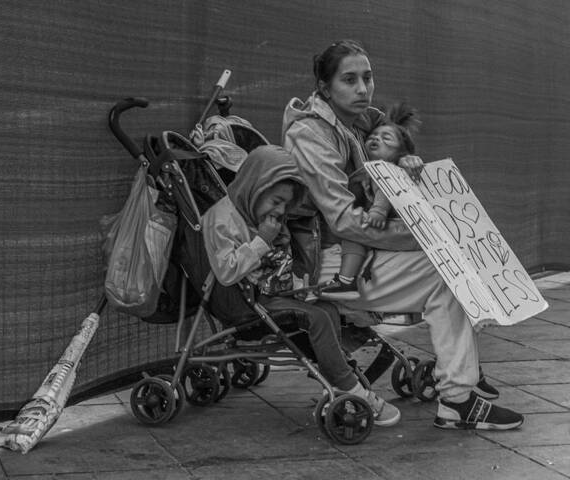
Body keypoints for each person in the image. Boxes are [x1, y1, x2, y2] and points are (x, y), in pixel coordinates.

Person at [281, 39, 522, 430]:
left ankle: (461, 385)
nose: (363, 89)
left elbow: (392, 168)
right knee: (446, 271)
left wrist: (408, 160)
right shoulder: (310, 134)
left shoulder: (359, 123)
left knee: (451, 264)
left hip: (354, 251)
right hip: (321, 266)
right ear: (325, 88)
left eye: (368, 77)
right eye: (349, 80)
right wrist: (427, 236)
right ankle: (459, 396)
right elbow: (343, 220)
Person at [201, 144, 401, 426]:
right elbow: (226, 272)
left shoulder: (255, 212)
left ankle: (336, 375)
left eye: (285, 204)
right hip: (242, 302)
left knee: (328, 310)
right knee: (317, 318)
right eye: (276, 200)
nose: (280, 209)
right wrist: (262, 242)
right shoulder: (220, 218)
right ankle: (353, 390)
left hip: (268, 294)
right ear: (254, 186)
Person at [321, 102, 421, 301]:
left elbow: (385, 190)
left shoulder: (389, 169)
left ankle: (346, 280)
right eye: (373, 136)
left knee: (354, 237)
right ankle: (346, 281)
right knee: (353, 238)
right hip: (367, 233)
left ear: (402, 153)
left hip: (384, 227)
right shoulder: (362, 165)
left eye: (386, 138)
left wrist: (378, 211)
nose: (376, 138)